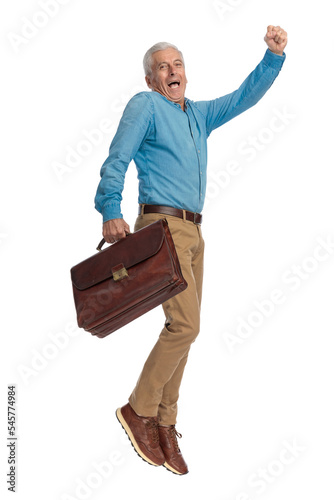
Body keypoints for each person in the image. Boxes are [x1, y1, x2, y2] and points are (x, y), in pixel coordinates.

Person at [94, 25, 288, 475]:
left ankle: (166, 423)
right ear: (150, 80)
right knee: (186, 325)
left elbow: (244, 96)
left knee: (183, 329)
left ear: (186, 73)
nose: (171, 70)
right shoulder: (146, 105)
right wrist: (109, 207)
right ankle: (138, 410)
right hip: (161, 228)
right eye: (162, 66)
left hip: (195, 234)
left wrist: (274, 57)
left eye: (177, 63)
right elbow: (116, 158)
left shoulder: (198, 114)